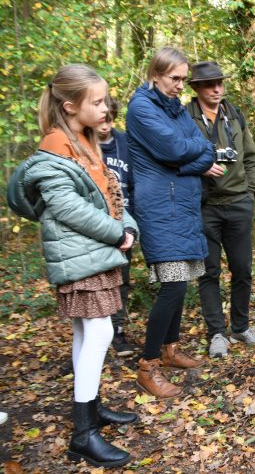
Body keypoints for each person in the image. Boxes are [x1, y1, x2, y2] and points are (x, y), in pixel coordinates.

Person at [9, 64, 138, 467]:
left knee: (87, 330)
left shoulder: (86, 144)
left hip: (95, 253)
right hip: (80, 256)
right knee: (100, 330)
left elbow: (112, 194)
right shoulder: (54, 151)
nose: (105, 108)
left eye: (105, 101)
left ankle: (90, 410)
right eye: (96, 102)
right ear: (69, 106)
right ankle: (83, 435)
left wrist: (128, 225)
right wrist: (117, 234)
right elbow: (68, 207)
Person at [126, 47, 224, 398]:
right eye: (175, 78)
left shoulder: (175, 108)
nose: (181, 85)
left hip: (181, 204)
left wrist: (185, 161)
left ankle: (169, 349)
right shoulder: (141, 108)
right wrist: (189, 159)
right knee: (173, 285)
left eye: (184, 79)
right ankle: (148, 364)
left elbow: (202, 146)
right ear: (156, 75)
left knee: (181, 283)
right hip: (159, 207)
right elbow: (175, 150)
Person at [185, 61, 255, 358]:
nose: (216, 89)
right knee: (209, 272)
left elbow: (250, 157)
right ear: (196, 87)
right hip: (205, 206)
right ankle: (217, 333)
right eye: (209, 84)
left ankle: (241, 328)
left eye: (219, 83)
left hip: (238, 203)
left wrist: (250, 195)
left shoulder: (234, 115)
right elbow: (177, 158)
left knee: (242, 269)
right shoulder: (185, 118)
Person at [96, 96, 136, 357]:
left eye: (110, 119)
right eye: (101, 119)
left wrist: (134, 222)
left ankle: (117, 330)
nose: (105, 125)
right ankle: (95, 333)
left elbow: (135, 181)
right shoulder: (81, 144)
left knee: (121, 278)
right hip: (95, 224)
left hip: (124, 223)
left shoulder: (124, 143)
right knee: (96, 281)